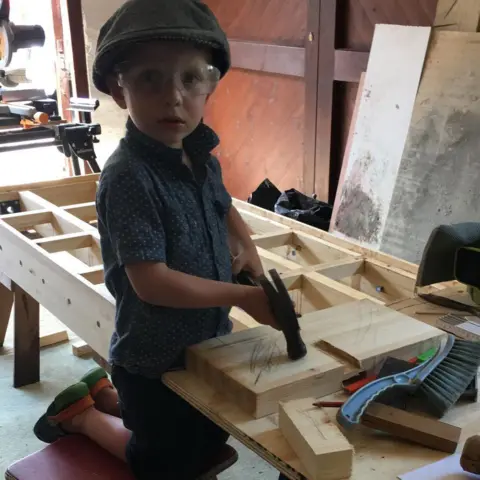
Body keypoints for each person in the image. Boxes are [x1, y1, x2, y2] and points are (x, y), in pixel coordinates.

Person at [33, 1, 280, 479]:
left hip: (208, 343)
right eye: (150, 78)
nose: (173, 97)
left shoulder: (200, 152)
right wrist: (246, 296)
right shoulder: (129, 176)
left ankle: (103, 396)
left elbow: (222, 203)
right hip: (152, 360)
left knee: (207, 438)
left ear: (210, 84)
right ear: (117, 89)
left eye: (191, 79)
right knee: (162, 463)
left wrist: (245, 244)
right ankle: (81, 417)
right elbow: (153, 284)